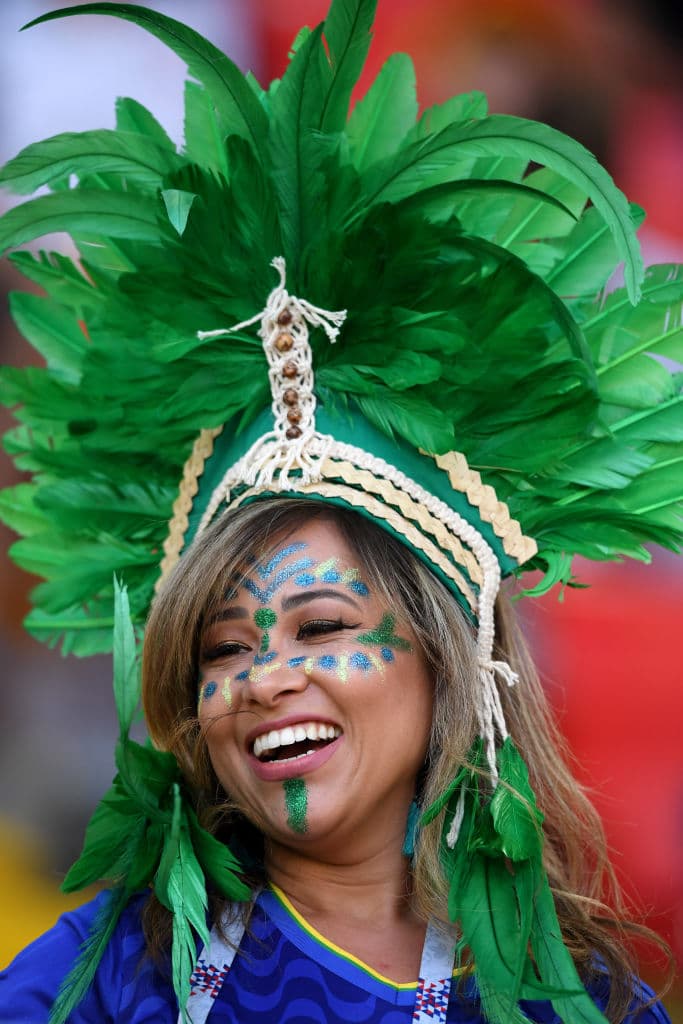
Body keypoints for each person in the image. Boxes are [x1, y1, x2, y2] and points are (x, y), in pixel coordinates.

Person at [0, 2, 679, 1023]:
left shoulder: (583, 1005)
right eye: (219, 651)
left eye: (320, 625)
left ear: (449, 653)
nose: (263, 679)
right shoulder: (82, 990)